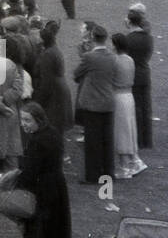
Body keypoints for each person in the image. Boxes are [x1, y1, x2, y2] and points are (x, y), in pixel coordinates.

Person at [13, 102, 71, 238]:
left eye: (27, 120)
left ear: (38, 120)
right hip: (57, 184)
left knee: (40, 231)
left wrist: (18, 186)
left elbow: (31, 171)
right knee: (54, 226)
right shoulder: (53, 132)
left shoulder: (37, 141)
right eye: (22, 119)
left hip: (42, 189)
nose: (23, 124)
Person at [72, 25, 116, 185]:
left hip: (92, 103)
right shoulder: (113, 57)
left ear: (92, 38)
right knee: (107, 139)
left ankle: (93, 175)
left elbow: (76, 74)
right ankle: (109, 172)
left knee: (92, 141)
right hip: (108, 102)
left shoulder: (89, 57)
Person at [110, 33, 146, 178]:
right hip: (129, 96)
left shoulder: (115, 61)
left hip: (118, 97)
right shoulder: (130, 60)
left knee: (121, 131)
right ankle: (135, 160)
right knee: (129, 128)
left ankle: (124, 166)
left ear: (115, 45)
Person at [31, 20, 73, 136]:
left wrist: (39, 100)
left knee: (53, 125)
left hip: (54, 93)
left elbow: (46, 81)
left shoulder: (48, 55)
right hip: (58, 89)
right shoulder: (53, 49)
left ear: (43, 40)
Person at [122, 6, 154, 149]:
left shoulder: (127, 39)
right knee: (146, 106)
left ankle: (138, 139)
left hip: (132, 74)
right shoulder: (148, 38)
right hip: (144, 73)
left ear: (129, 22)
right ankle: (147, 139)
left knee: (135, 107)